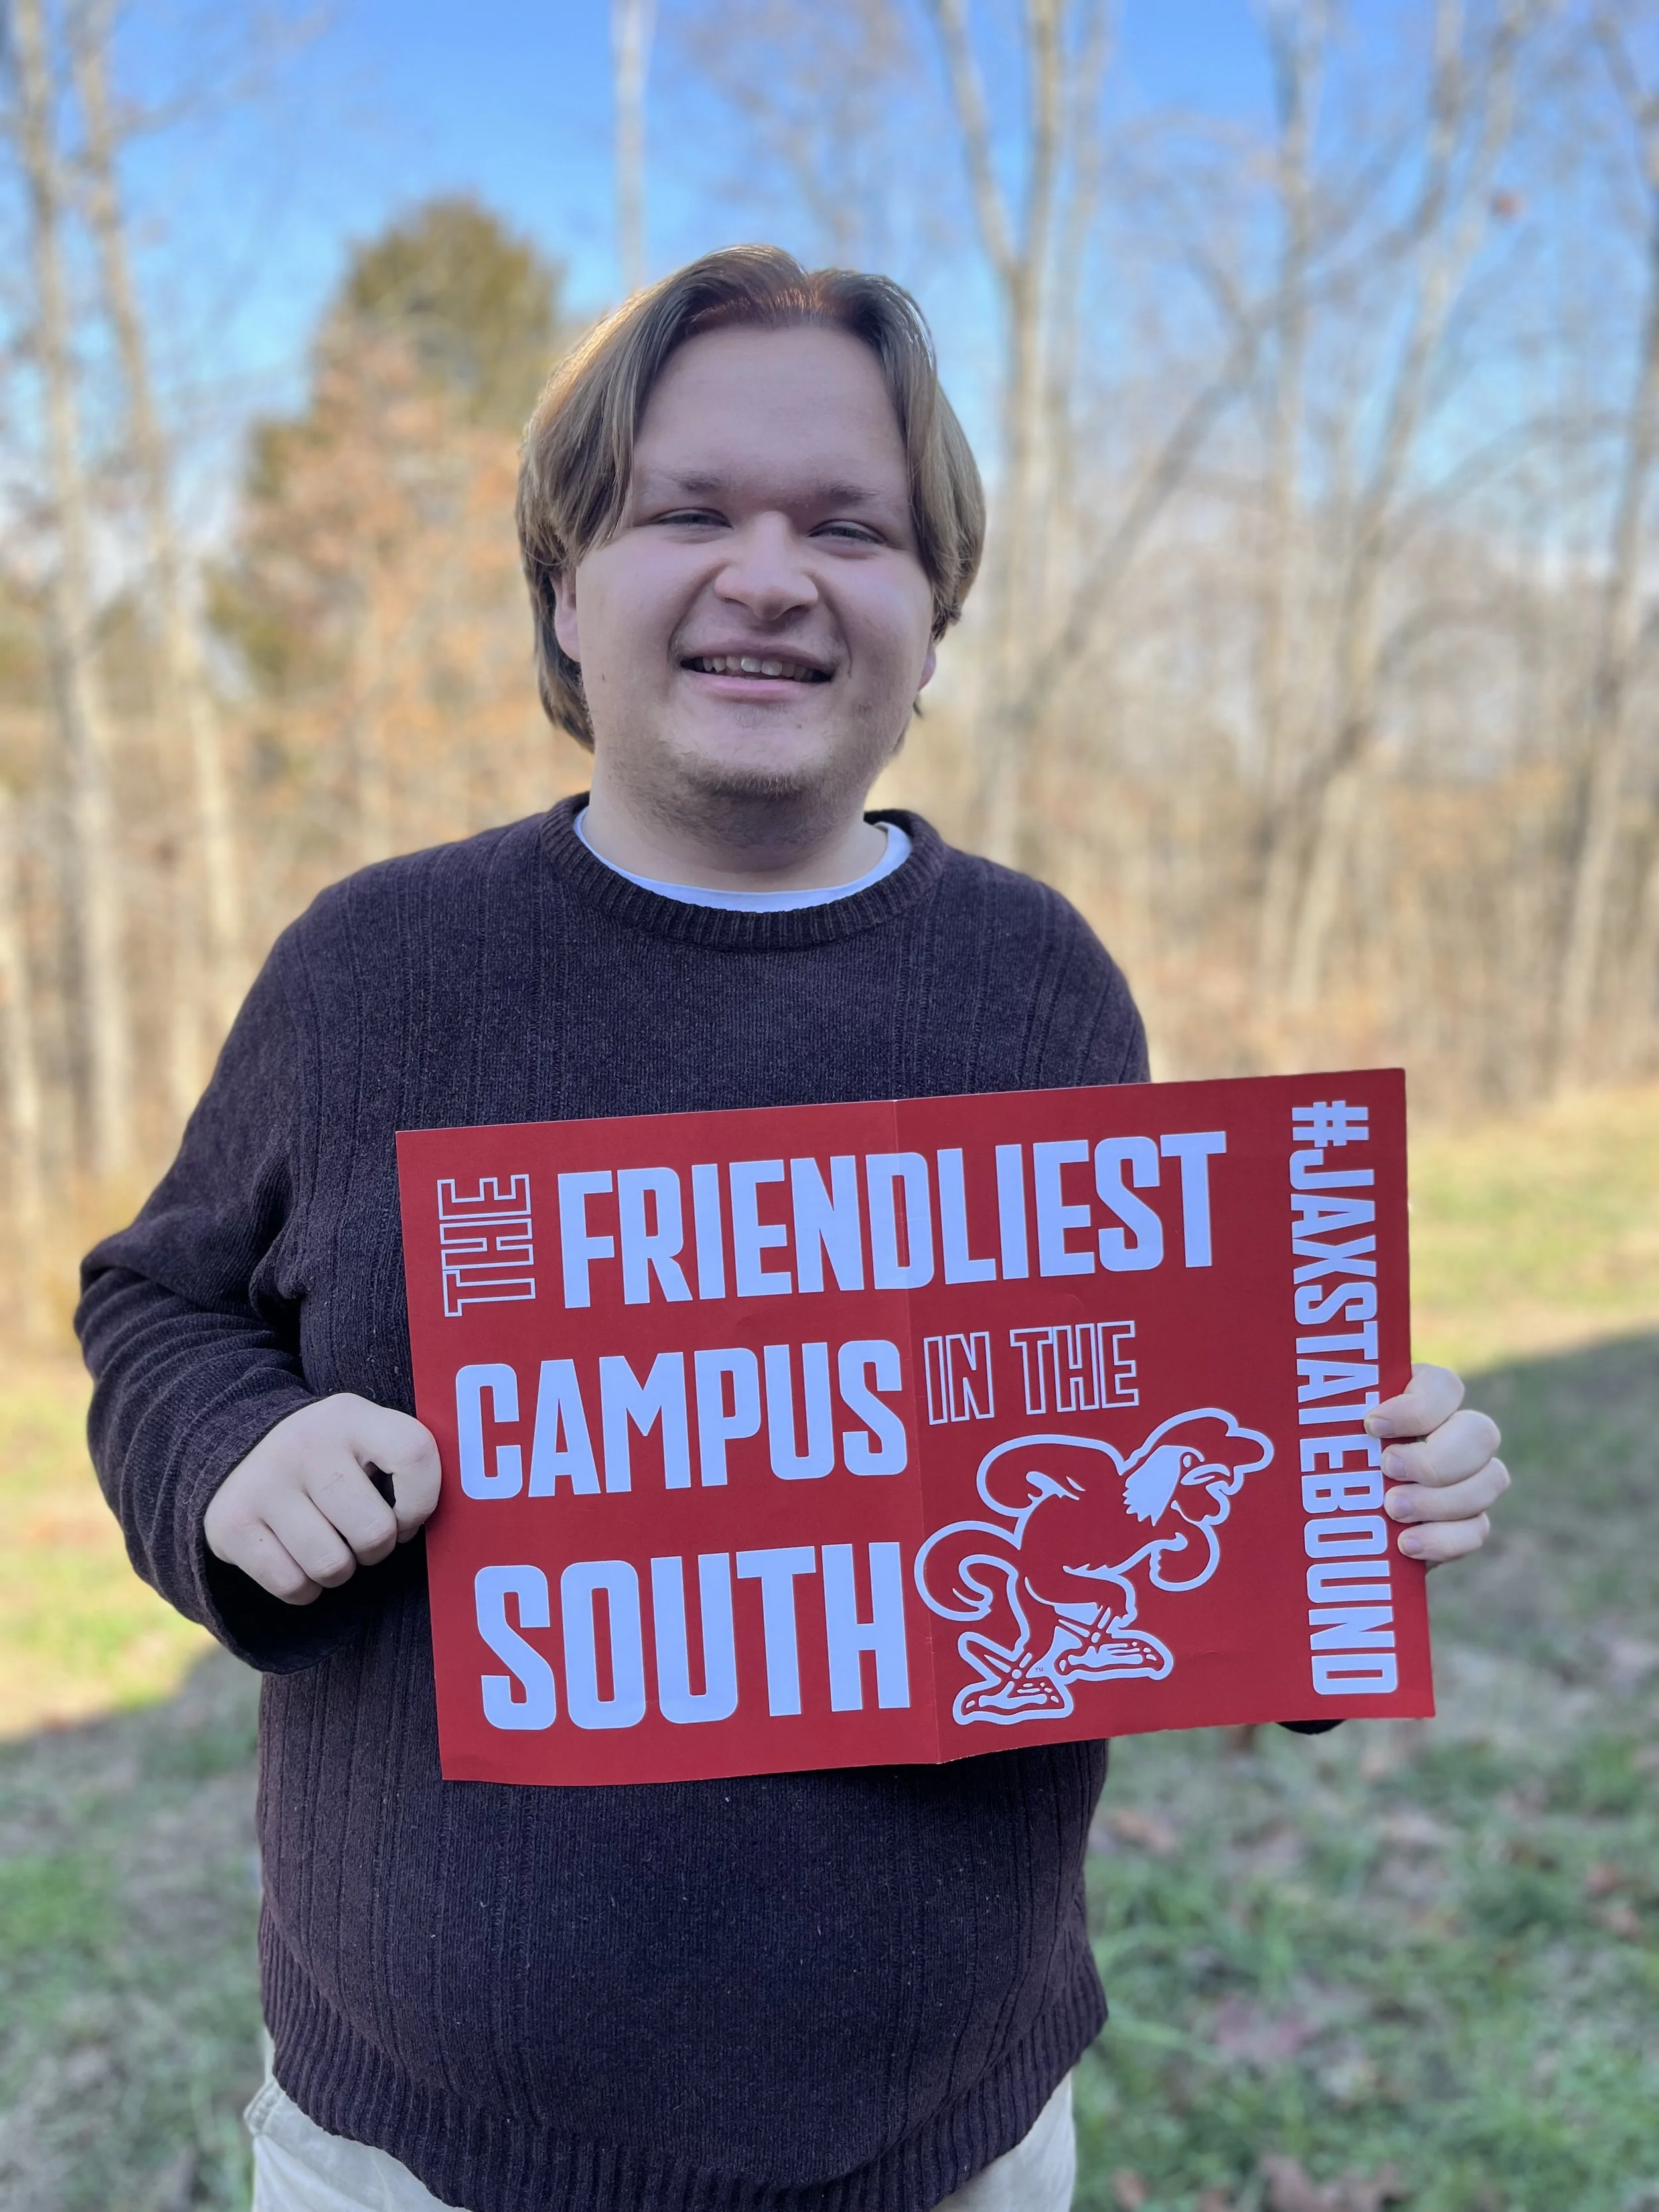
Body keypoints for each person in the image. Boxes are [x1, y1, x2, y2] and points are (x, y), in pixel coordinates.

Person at [77, 247, 1510, 2212]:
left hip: (946, 2129)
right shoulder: (375, 969)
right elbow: (158, 1308)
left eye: (852, 527)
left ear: (932, 618)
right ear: (568, 584)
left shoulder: (1037, 989)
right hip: (421, 2145)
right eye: (688, 511)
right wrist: (235, 1457)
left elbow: (1123, 1458)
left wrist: (1334, 1516)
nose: (771, 574)